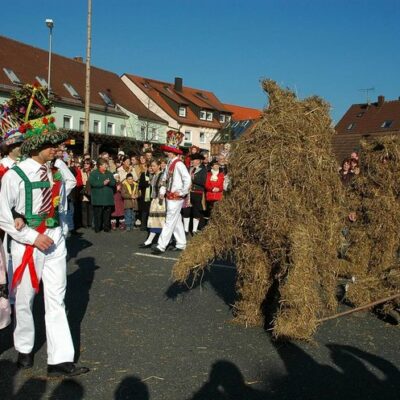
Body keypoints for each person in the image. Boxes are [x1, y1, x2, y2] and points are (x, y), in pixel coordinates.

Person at [0, 83, 88, 377]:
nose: (58, 148)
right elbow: (2, 215)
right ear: (36, 144)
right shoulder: (15, 175)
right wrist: (28, 233)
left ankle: (60, 358)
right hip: (27, 243)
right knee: (24, 298)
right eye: (53, 144)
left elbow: (72, 185)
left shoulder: (56, 167)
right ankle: (24, 347)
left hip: (55, 240)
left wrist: (58, 162)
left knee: (56, 297)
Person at [152, 131, 191, 254]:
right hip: (169, 196)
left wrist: (182, 192)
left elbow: (187, 179)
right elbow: (164, 178)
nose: (166, 153)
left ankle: (161, 245)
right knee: (176, 220)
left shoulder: (179, 164)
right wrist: (163, 190)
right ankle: (181, 243)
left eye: (168, 151)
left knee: (169, 220)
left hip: (176, 197)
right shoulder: (169, 163)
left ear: (173, 152)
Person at [140, 160, 166, 247]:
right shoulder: (154, 175)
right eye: (151, 166)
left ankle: (154, 241)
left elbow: (163, 186)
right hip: (155, 200)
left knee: (160, 221)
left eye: (154, 166)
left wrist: (161, 196)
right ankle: (150, 241)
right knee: (156, 221)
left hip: (160, 201)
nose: (152, 168)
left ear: (159, 166)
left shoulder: (162, 175)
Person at [89, 158, 116, 232]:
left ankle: (106, 228)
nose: (106, 166)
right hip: (98, 198)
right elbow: (92, 183)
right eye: (104, 165)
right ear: (100, 166)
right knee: (98, 214)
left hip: (108, 198)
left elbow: (114, 183)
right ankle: (97, 228)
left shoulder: (109, 173)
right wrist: (102, 183)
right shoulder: (94, 173)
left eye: (106, 164)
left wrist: (109, 182)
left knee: (107, 214)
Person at [182, 153, 207, 235]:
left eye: (195, 160)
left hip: (197, 193)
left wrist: (193, 179)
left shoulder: (203, 170)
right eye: (192, 160)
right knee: (186, 211)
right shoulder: (189, 169)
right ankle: (186, 230)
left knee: (196, 211)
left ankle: (194, 230)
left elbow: (203, 181)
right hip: (188, 193)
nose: (193, 161)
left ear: (199, 161)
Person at [138, 162, 152, 231]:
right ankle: (143, 225)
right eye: (149, 167)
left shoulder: (154, 174)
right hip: (144, 195)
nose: (151, 169)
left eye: (151, 167)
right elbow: (140, 184)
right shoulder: (143, 174)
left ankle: (150, 225)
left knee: (151, 211)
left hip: (152, 195)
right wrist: (147, 183)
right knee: (144, 211)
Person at [80, 159, 93, 228]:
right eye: (85, 163)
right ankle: (84, 223)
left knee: (90, 207)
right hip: (83, 189)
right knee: (84, 208)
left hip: (91, 190)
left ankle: (90, 222)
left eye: (87, 163)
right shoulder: (81, 171)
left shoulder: (92, 172)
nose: (86, 165)